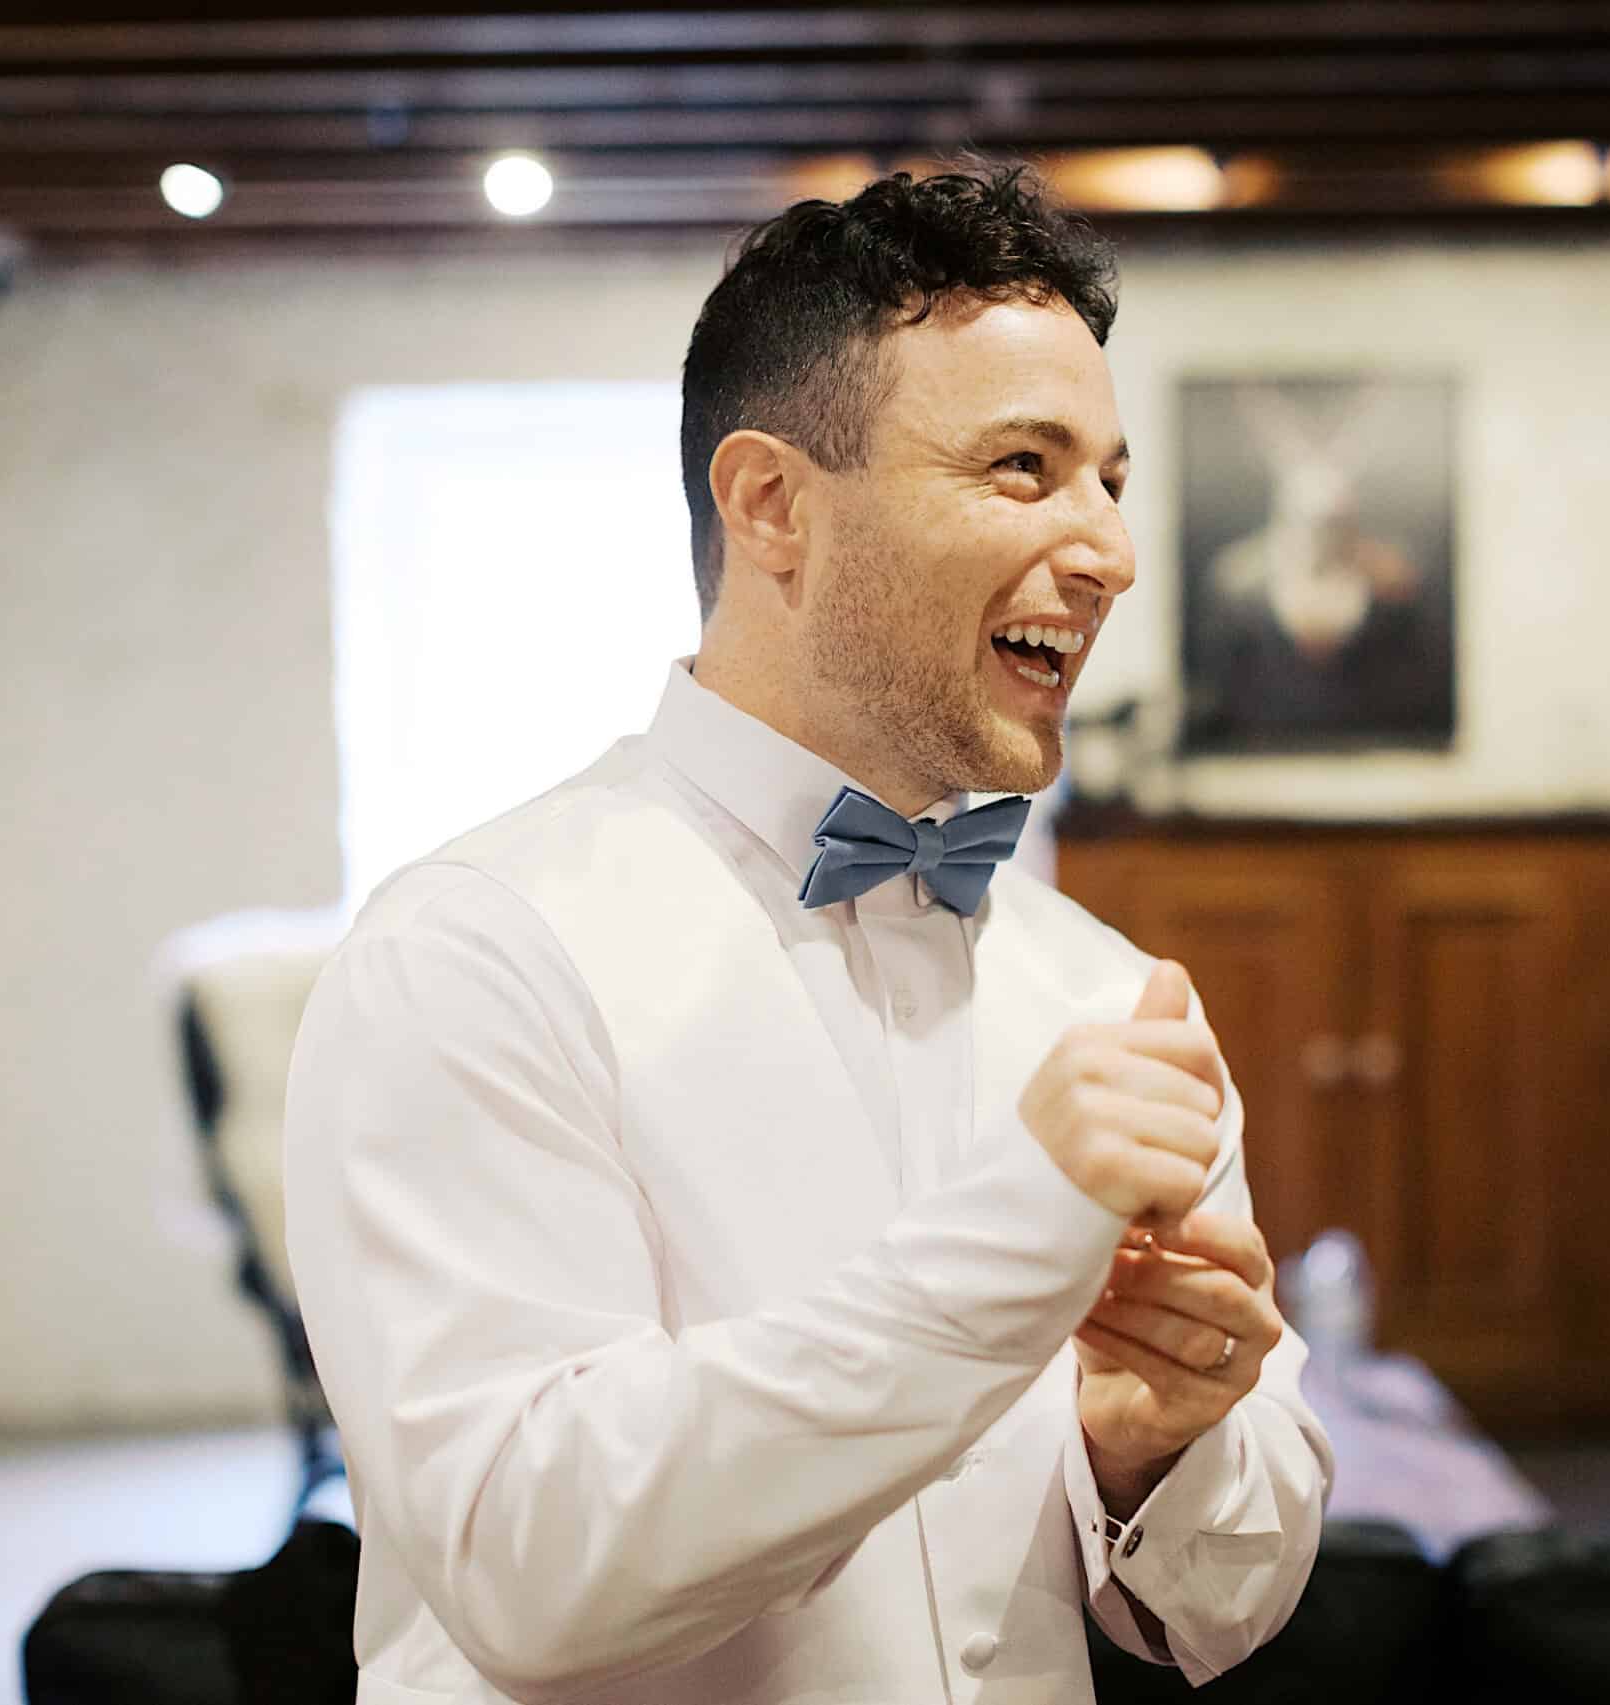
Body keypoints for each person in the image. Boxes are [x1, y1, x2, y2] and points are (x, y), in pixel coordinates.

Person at [284, 163, 1333, 1705]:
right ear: (774, 506)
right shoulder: (472, 955)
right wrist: (1014, 1244)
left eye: (1113, 478)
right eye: (1023, 466)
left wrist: (1154, 1450)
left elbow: (1235, 1597)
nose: (1108, 548)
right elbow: (526, 1559)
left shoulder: (1110, 1000)